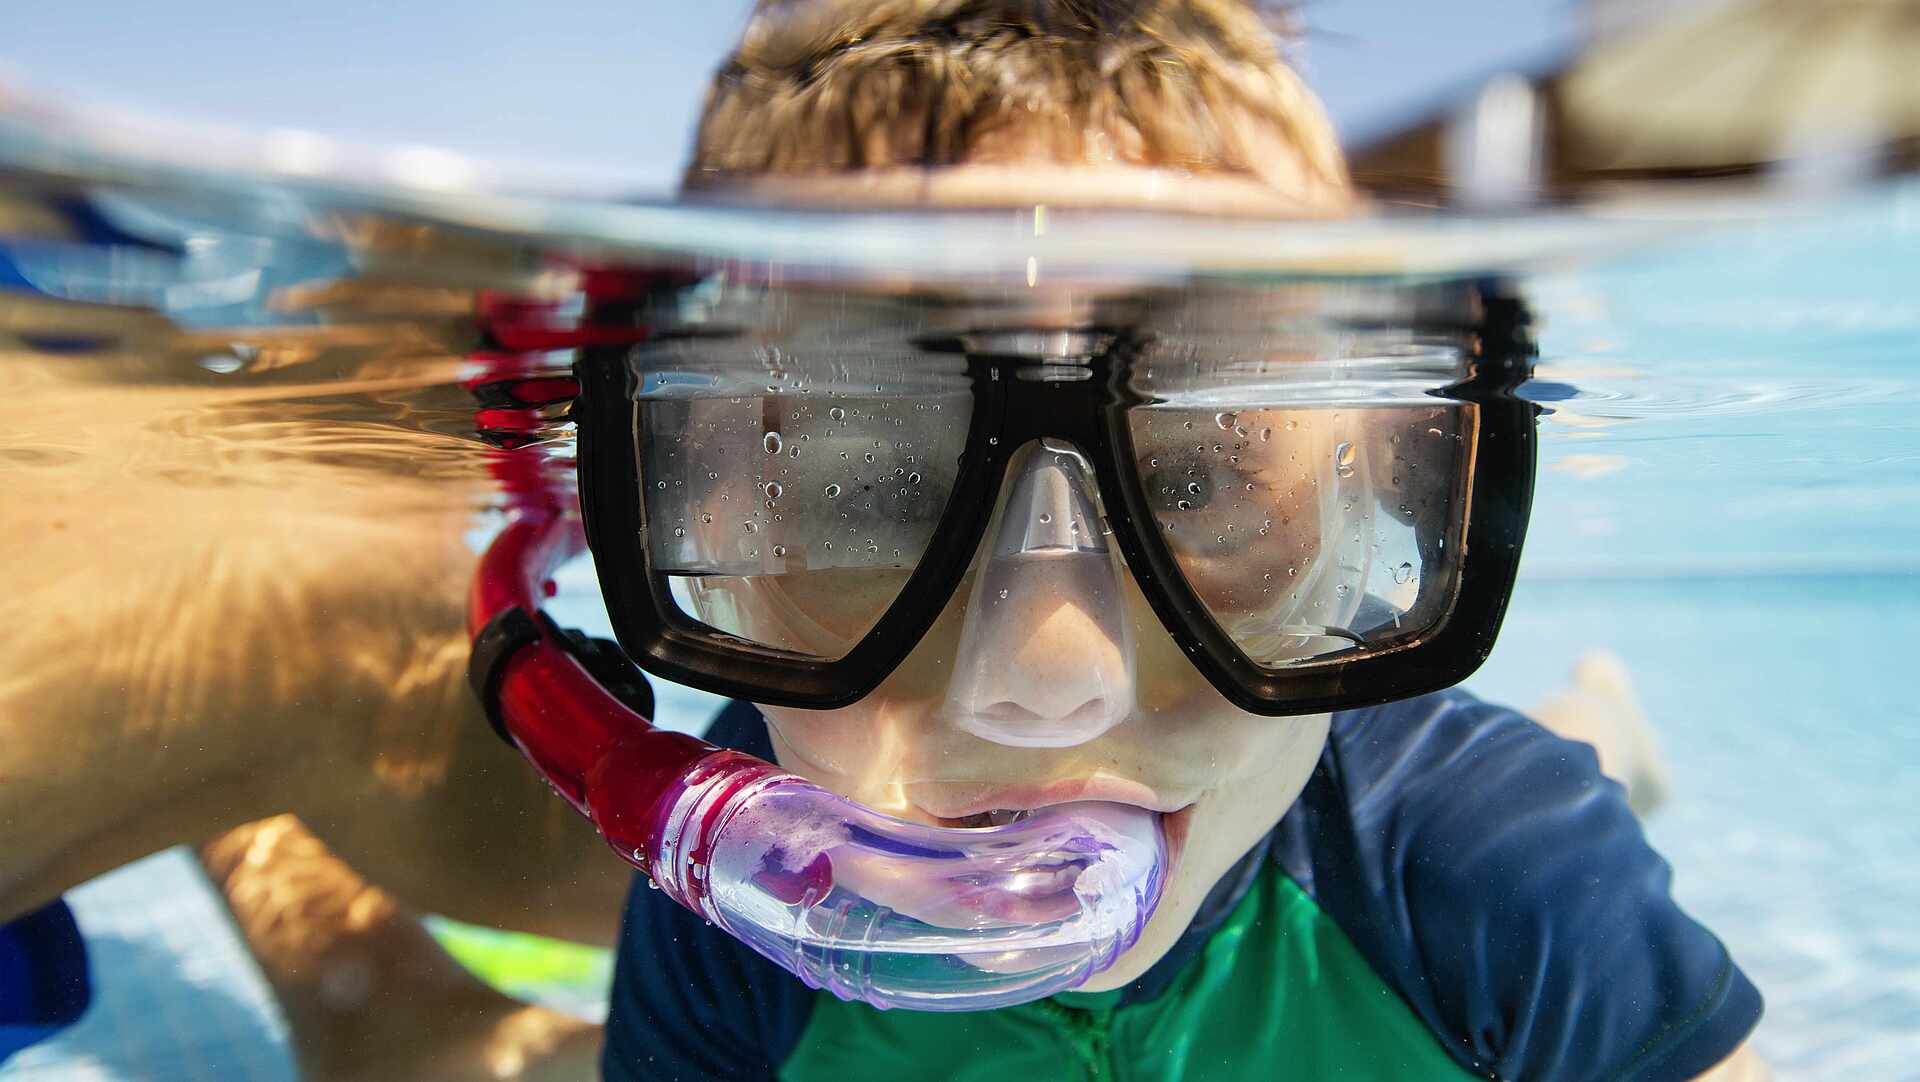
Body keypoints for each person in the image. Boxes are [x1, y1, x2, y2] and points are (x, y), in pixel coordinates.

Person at [589, 2, 1766, 1080]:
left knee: (1577, 749)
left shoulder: (1492, 869)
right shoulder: (736, 916)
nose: (1052, 684)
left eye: (1197, 480)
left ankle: (1605, 720)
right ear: (696, 508)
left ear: (1387, 478)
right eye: (870, 497)